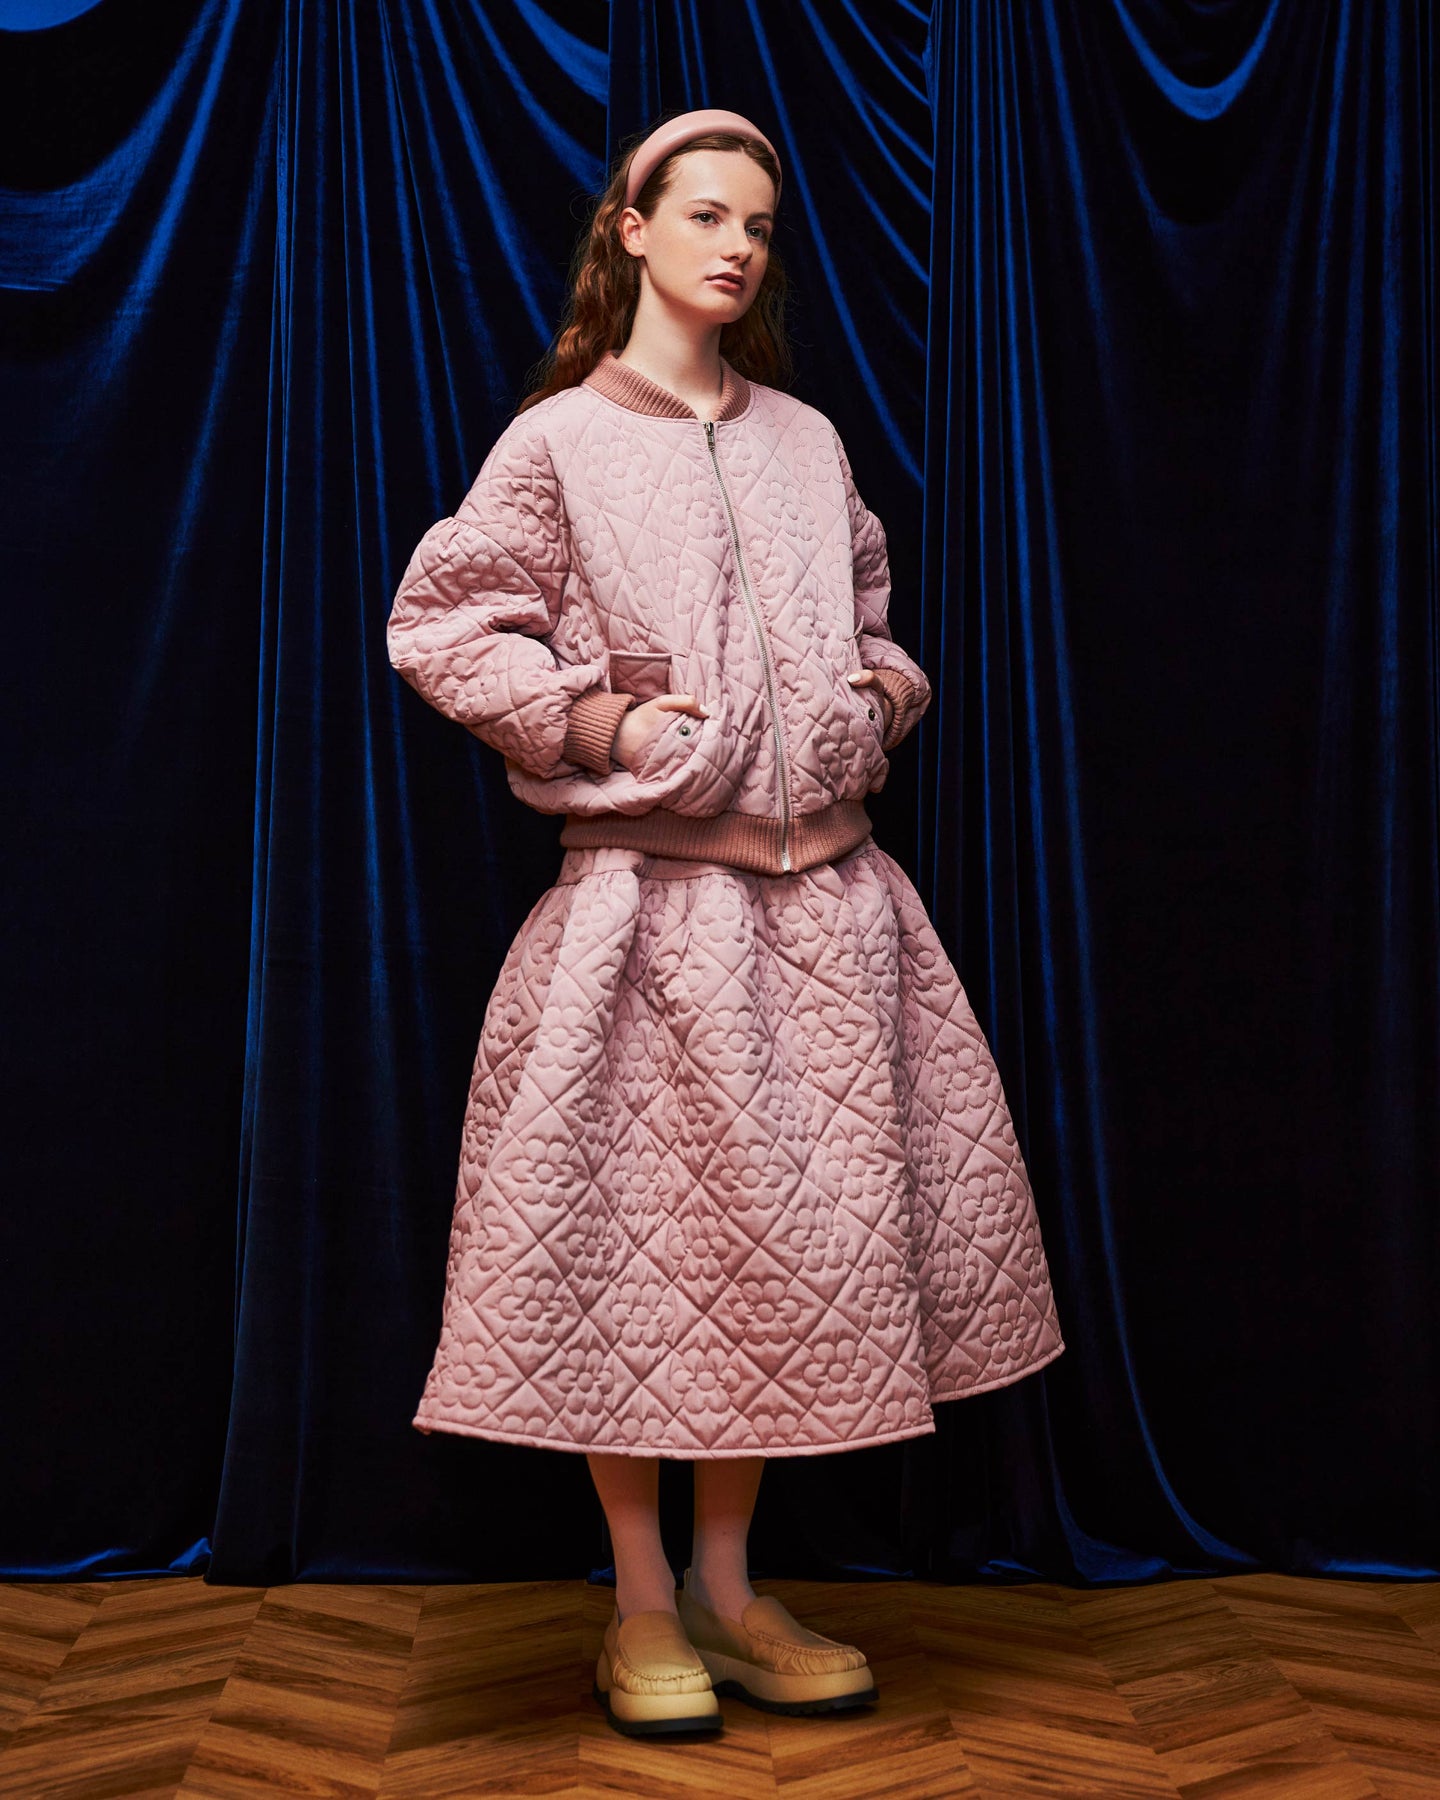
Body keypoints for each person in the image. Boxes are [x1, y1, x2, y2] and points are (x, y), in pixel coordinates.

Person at [387, 107, 1066, 1739]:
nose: (737, 246)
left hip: (827, 913)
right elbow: (443, 624)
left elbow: (875, 626)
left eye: (758, 224)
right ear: (631, 231)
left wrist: (872, 704)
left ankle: (729, 1587)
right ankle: (639, 1605)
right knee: (639, 1263)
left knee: (768, 1273)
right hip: (645, 915)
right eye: (704, 214)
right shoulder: (559, 443)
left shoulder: (807, 440)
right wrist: (603, 724)